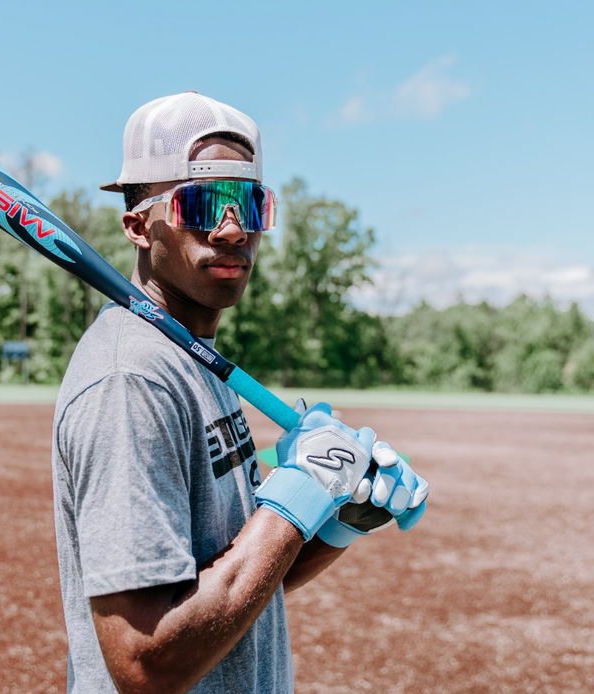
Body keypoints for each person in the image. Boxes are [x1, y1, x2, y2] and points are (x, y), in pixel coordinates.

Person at [50, 91, 429, 694]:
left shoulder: (195, 363)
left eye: (249, 203)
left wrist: (338, 521)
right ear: (137, 226)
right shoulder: (132, 380)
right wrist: (301, 490)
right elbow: (146, 663)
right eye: (201, 203)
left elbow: (235, 578)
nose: (231, 229)